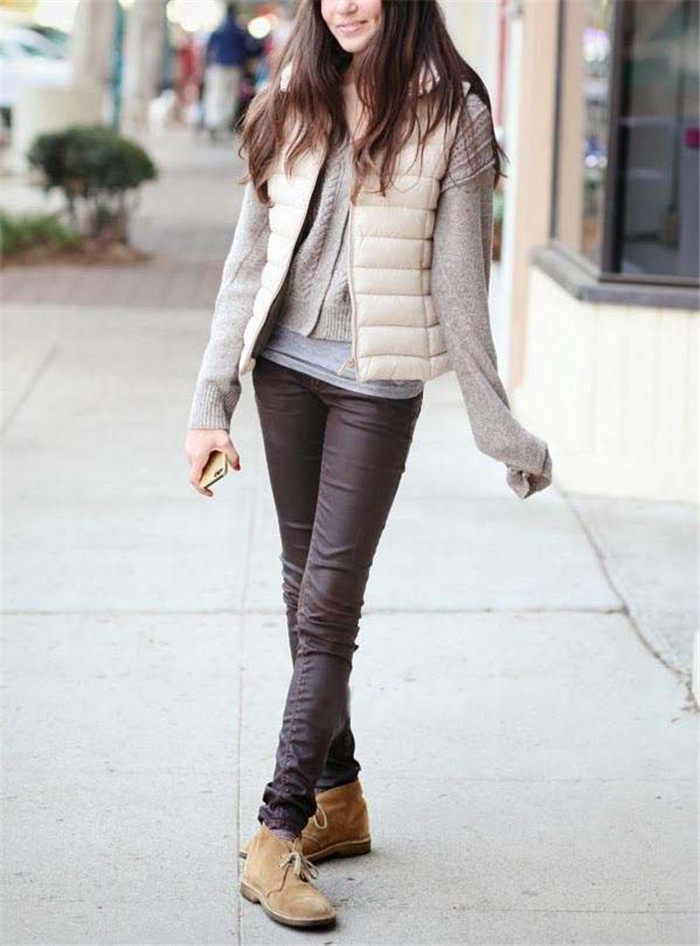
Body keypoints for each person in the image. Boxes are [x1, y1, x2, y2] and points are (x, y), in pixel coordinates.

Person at [185, 0, 553, 930]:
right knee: (301, 587)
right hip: (282, 372)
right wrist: (209, 405)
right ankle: (339, 797)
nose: (346, 4)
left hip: (375, 388)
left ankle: (278, 829)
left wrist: (500, 430)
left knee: (328, 608)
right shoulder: (291, 93)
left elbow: (461, 288)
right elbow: (246, 263)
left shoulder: (454, 114)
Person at [203, 1, 249, 140]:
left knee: (216, 94)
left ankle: (213, 122)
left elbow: (209, 47)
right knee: (230, 96)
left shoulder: (219, 28)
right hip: (234, 66)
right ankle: (225, 123)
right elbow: (246, 49)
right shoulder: (238, 30)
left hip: (217, 65)